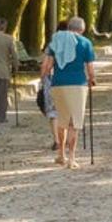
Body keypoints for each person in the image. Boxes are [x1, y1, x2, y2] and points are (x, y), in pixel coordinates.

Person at [39, 16, 95, 169]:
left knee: (61, 120)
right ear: (82, 29)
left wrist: (43, 78)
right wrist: (92, 79)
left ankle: (61, 155)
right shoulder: (85, 43)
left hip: (58, 84)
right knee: (74, 123)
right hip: (78, 85)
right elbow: (90, 68)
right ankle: (72, 159)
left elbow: (48, 65)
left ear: (69, 27)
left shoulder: (56, 41)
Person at [36, 20, 68, 150]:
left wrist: (42, 78)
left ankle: (57, 140)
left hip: (53, 81)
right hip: (69, 81)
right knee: (66, 112)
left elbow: (46, 65)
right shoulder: (76, 44)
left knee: (53, 112)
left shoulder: (52, 45)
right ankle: (65, 139)